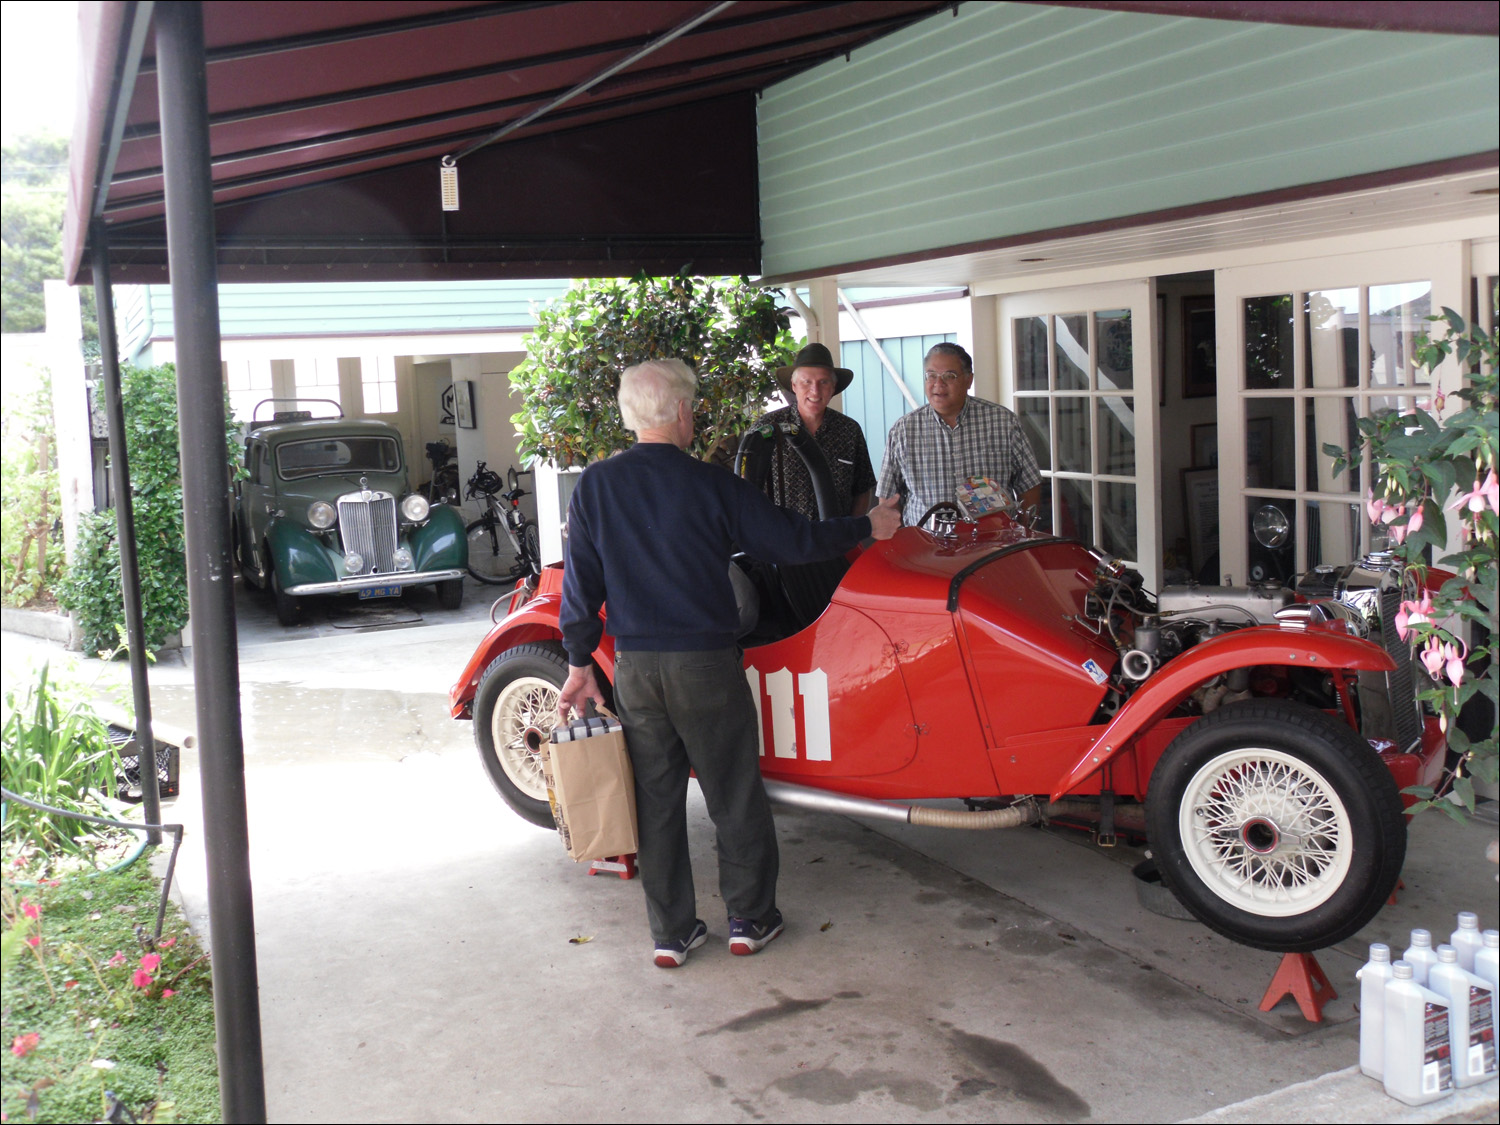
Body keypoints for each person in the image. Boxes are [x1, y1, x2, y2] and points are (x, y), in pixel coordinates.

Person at [556, 359, 901, 970]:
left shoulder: (595, 488)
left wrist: (581, 661)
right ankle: (749, 918)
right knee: (733, 793)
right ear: (683, 413)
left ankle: (672, 933)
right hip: (704, 664)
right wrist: (865, 526)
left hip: (635, 667)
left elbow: (581, 588)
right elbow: (792, 541)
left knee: (656, 800)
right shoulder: (710, 484)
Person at [877, 342, 1042, 526]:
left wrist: (1020, 533)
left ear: (968, 380)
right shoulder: (904, 431)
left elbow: (1029, 485)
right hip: (926, 546)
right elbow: (888, 500)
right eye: (931, 376)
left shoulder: (1003, 422)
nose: (938, 384)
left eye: (950, 376)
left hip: (993, 543)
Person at [756, 342, 876, 519]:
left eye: (824, 382)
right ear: (794, 386)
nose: (815, 390)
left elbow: (863, 489)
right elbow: (747, 487)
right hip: (780, 541)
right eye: (806, 382)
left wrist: (851, 534)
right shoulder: (768, 427)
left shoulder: (849, 431)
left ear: (833, 388)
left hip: (835, 542)